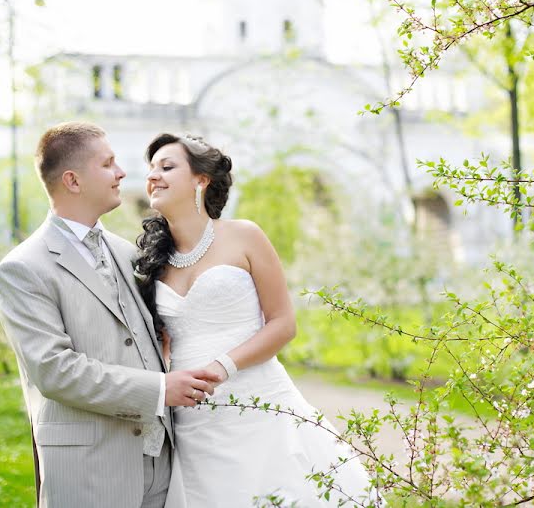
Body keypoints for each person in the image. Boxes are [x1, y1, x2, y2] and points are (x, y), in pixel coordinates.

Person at [135, 133, 377, 507]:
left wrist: (222, 366)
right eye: (151, 170)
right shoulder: (154, 262)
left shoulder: (244, 236)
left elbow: (283, 323)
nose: (154, 176)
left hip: (258, 401)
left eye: (167, 167)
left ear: (201, 180)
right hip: (193, 418)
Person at [0, 122, 221, 508]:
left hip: (160, 464)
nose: (121, 173)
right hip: (89, 469)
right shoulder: (23, 268)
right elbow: (54, 371)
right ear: (73, 180)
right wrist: (161, 390)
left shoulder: (126, 252)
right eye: (108, 164)